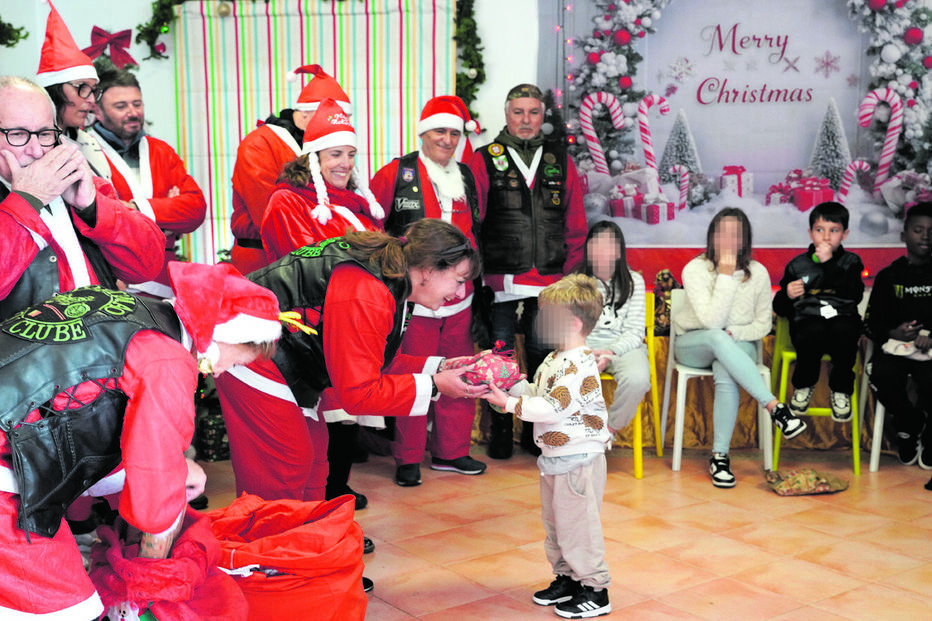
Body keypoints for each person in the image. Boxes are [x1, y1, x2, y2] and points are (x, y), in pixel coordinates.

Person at [0, 261, 283, 619]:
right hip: (9, 472)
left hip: (21, 435)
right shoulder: (167, 359)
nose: (223, 372)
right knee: (70, 608)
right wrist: (147, 581)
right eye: (234, 362)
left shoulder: (128, 308)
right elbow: (156, 483)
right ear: (219, 337)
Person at [214, 218, 486, 507]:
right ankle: (271, 545)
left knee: (316, 465)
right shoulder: (368, 289)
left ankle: (304, 541)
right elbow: (359, 393)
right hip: (250, 352)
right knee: (284, 467)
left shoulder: (390, 278)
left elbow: (371, 361)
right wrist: (434, 386)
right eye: (459, 281)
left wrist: (439, 369)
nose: (459, 293)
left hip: (286, 355)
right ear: (429, 270)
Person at [261, 96, 384, 508]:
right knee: (323, 418)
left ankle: (338, 494)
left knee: (348, 411)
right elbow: (308, 266)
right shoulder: (287, 201)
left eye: (350, 154)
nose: (345, 163)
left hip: (352, 326)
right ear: (313, 157)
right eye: (335, 154)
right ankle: (325, 503)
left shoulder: (357, 206)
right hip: (312, 332)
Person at [370, 95, 486, 486]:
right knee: (415, 372)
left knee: (461, 371)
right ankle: (407, 457)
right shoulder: (394, 174)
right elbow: (373, 231)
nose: (448, 140)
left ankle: (452, 451)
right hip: (416, 299)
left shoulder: (466, 176)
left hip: (460, 300)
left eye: (455, 133)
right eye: (440, 131)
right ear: (423, 133)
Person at [469, 83, 588, 459]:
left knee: (542, 357)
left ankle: (536, 433)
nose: (525, 120)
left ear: (542, 117)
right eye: (518, 112)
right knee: (501, 358)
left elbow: (575, 219)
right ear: (506, 115)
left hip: (550, 280)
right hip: (502, 279)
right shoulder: (484, 157)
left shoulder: (559, 158)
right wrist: (479, 275)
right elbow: (474, 220)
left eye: (533, 112)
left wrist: (569, 274)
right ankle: (502, 430)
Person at [483, 274, 612, 619]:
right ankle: (568, 579)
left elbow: (553, 409)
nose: (538, 322)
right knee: (557, 526)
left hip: (578, 459)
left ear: (571, 322)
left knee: (578, 529)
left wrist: (510, 405)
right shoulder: (555, 359)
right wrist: (511, 387)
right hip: (556, 457)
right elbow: (539, 397)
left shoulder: (577, 364)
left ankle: (595, 589)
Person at [0, 76, 164, 319]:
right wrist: (28, 201)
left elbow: (147, 265)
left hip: (104, 348)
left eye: (45, 133)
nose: (36, 151)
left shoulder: (77, 182)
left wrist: (93, 208)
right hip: (28, 356)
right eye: (18, 134)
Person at [674, 208, 807, 488]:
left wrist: (735, 332)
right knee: (716, 337)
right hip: (694, 345)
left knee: (725, 361)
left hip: (738, 345)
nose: (728, 239)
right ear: (711, 236)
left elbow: (762, 325)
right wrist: (724, 275)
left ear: (745, 240)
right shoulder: (695, 269)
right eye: (722, 232)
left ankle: (720, 457)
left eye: (735, 234)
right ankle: (774, 407)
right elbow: (711, 322)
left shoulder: (757, 273)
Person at [88, 66, 207, 298]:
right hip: (111, 280)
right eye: (121, 106)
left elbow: (196, 209)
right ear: (97, 111)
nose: (133, 112)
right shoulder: (85, 152)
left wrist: (133, 208)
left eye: (137, 104)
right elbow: (97, 219)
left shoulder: (161, 150)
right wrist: (166, 214)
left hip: (164, 280)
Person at [231, 64, 352, 274]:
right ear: (305, 114)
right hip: (264, 265)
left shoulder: (324, 146)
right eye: (328, 117)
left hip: (317, 259)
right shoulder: (259, 144)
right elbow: (270, 216)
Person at [772, 201, 864, 422]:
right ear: (810, 233)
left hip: (842, 323)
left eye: (834, 231)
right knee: (812, 328)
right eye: (819, 230)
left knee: (845, 328)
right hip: (809, 325)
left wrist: (830, 263)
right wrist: (787, 294)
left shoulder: (851, 262)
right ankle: (804, 385)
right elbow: (780, 308)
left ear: (845, 234)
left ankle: (841, 390)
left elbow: (854, 294)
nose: (826, 237)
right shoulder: (797, 265)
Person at [864, 202, 932, 469]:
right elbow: (870, 323)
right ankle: (909, 424)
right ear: (904, 235)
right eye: (918, 230)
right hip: (896, 350)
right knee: (881, 374)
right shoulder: (888, 277)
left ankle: (930, 436)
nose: (925, 236)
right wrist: (894, 332)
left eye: (931, 230)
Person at [578, 221, 651, 434]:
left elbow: (636, 331)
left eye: (608, 245)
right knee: (561, 373)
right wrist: (586, 352)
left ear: (619, 252)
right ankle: (575, 435)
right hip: (586, 347)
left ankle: (608, 431)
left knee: (637, 379)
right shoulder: (576, 283)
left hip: (624, 348)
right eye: (595, 244)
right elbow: (570, 331)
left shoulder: (634, 282)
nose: (601, 251)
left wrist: (610, 352)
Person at [33, 1, 111, 177]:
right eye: (83, 87)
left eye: (93, 90)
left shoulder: (89, 142)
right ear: (54, 90)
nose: (91, 100)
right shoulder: (34, 149)